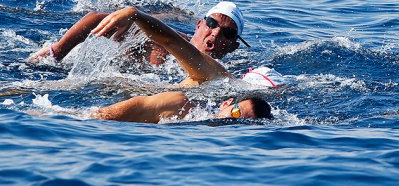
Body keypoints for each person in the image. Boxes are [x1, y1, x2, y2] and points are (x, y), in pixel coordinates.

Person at [29, 1, 250, 68]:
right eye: (212, 24)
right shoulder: (162, 40)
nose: (216, 33)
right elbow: (95, 18)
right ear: (199, 25)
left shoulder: (226, 71)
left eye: (227, 33)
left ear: (232, 47)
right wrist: (57, 51)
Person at [92, 91, 272, 123]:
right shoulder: (178, 105)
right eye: (235, 112)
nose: (232, 121)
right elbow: (100, 117)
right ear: (226, 104)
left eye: (242, 123)